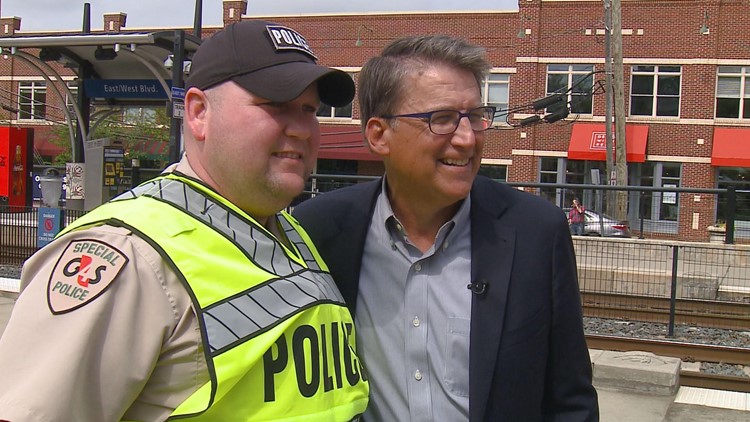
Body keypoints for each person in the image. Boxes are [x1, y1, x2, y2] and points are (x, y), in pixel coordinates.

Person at [0, 20, 369, 421]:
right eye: (276, 105)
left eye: (309, 110)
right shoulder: (129, 253)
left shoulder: (291, 232)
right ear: (197, 113)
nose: (302, 129)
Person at [293, 35, 599, 421]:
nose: (468, 138)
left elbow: (571, 400)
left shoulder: (536, 231)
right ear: (378, 135)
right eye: (442, 119)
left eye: (475, 116)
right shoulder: (319, 230)